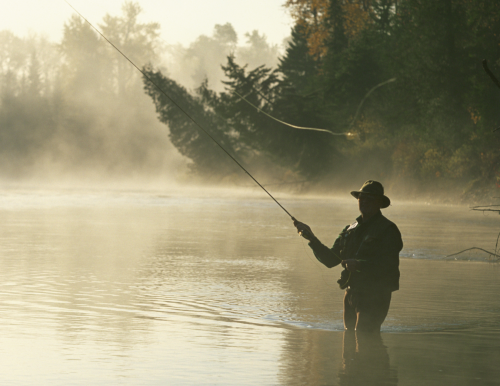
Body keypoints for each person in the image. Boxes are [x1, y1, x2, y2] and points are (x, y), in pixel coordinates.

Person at [294, 180, 403, 332]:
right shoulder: (350, 229)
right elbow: (331, 259)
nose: (364, 201)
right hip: (351, 293)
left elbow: (388, 265)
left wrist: (360, 265)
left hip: (375, 295)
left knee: (364, 337)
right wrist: (312, 238)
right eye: (361, 198)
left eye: (369, 199)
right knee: (349, 342)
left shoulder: (388, 230)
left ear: (379, 203)